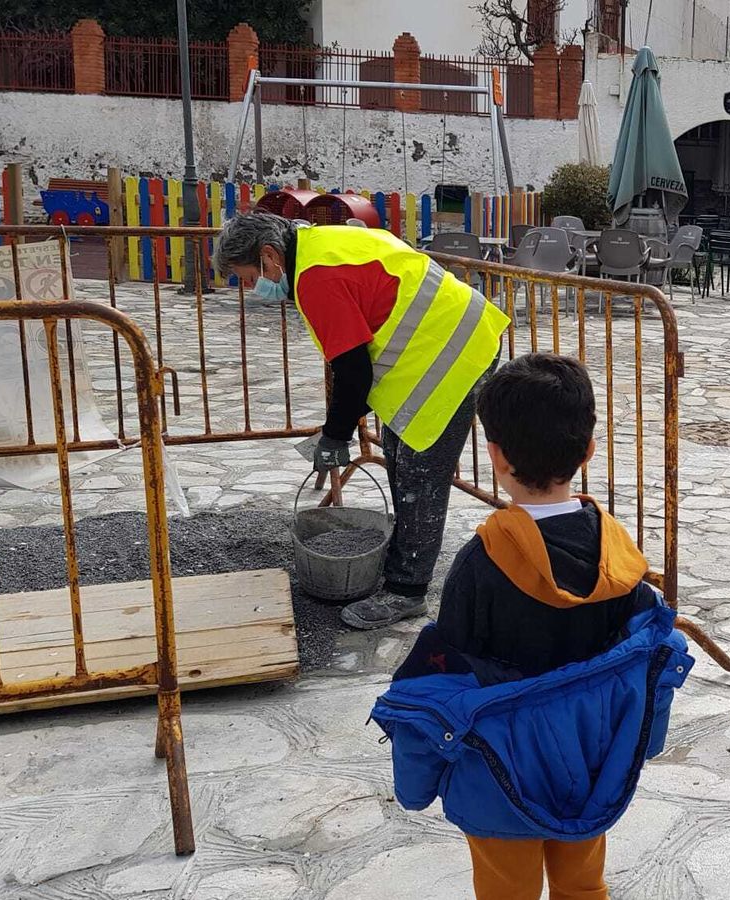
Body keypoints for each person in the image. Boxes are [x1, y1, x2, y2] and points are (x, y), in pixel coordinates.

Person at [370, 353, 693, 900]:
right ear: (588, 451)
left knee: (507, 890)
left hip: (498, 772)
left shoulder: (479, 564)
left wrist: (418, 779)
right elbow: (636, 666)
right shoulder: (621, 561)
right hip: (590, 762)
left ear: (496, 455)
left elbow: (444, 682)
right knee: (583, 884)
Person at [213, 213, 510, 630]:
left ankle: (407, 590)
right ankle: (402, 560)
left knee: (421, 474)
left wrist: (335, 436)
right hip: (441, 339)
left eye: (247, 277)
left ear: (269, 256)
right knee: (400, 457)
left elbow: (353, 371)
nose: (251, 287)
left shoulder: (316, 277)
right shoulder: (317, 244)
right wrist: (339, 428)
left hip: (456, 349)